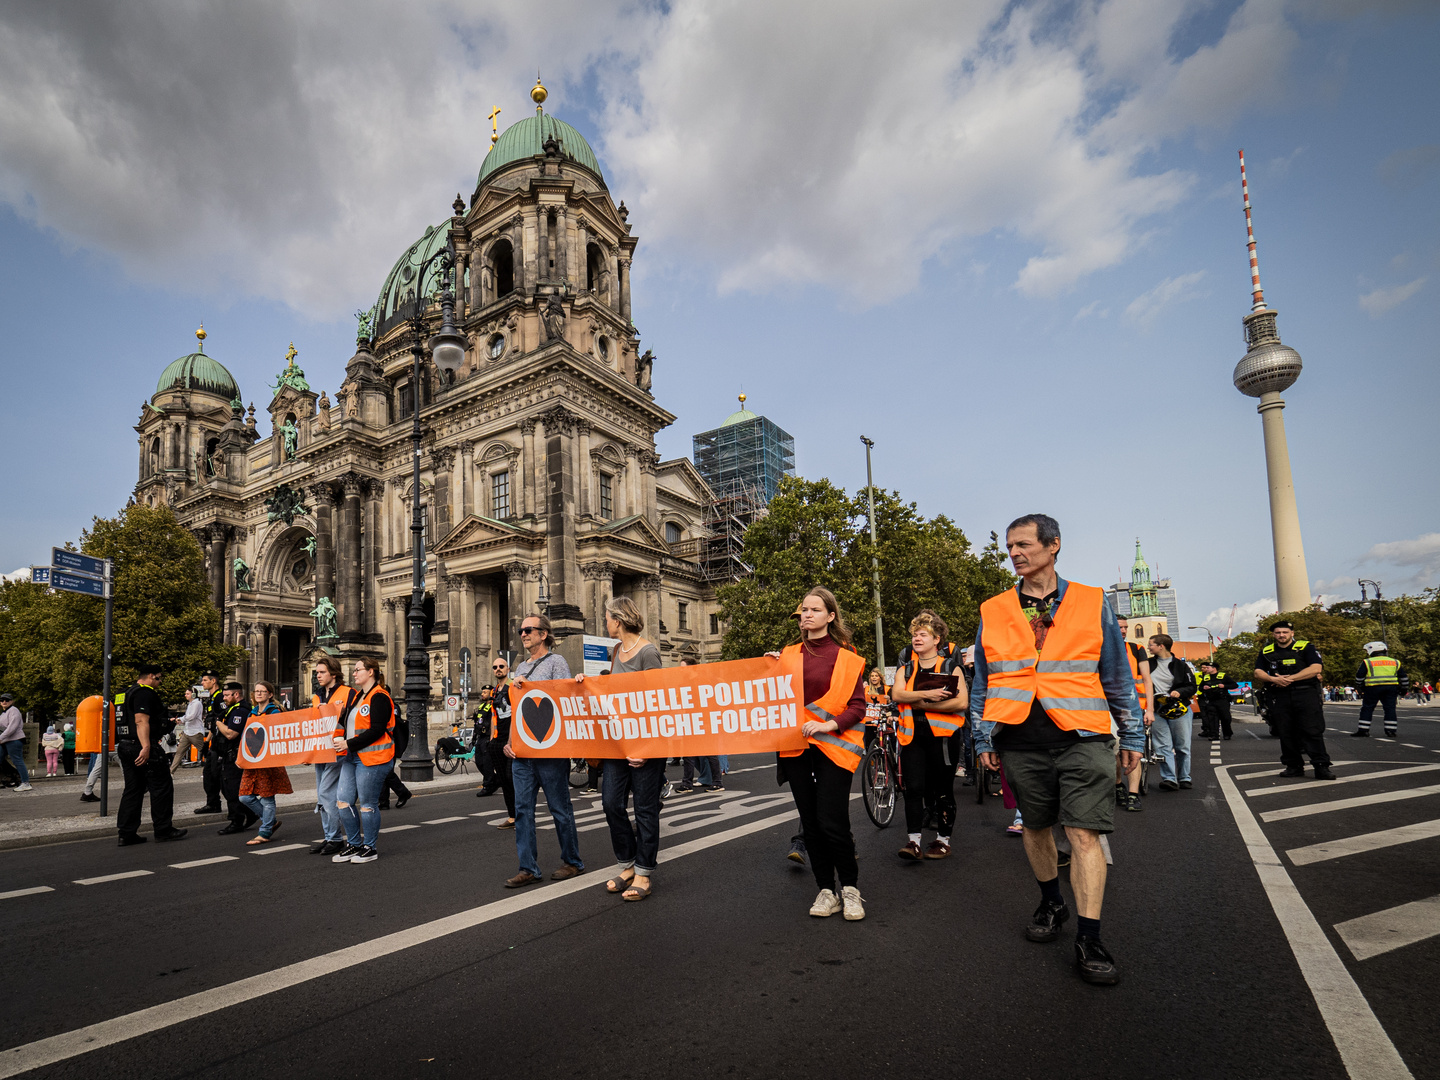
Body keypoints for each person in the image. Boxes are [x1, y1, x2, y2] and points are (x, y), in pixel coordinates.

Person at [970, 514, 1143, 986]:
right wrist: (982, 736)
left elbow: (1116, 674)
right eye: (1010, 547)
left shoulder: (1092, 601)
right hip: (1019, 739)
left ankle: (1089, 936)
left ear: (1054, 546)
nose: (1015, 553)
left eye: (1024, 544)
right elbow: (984, 682)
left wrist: (1131, 736)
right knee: (1037, 829)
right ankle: (1051, 900)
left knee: (1084, 834)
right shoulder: (993, 608)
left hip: (1081, 737)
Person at [768, 587, 868, 921]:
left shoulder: (846, 655)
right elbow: (774, 698)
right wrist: (767, 672)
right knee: (810, 823)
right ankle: (826, 890)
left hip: (834, 748)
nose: (806, 615)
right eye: (803, 611)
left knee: (832, 821)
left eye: (814, 610)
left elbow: (858, 706)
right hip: (796, 748)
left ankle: (850, 889)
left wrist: (830, 725)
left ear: (830, 615)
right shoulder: (787, 654)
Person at [579, 597, 664, 901]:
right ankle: (626, 864)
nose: (605, 623)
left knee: (644, 808)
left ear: (619, 619)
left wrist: (647, 747)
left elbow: (657, 704)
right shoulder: (616, 651)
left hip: (644, 745)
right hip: (618, 742)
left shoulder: (648, 652)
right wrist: (583, 683)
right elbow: (612, 692)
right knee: (611, 803)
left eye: (607, 618)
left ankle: (643, 872)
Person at [504, 613, 584, 887]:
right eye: (521, 630)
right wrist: (510, 741)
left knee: (559, 808)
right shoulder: (519, 669)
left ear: (544, 634)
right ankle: (528, 868)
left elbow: (564, 701)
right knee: (523, 811)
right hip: (522, 755)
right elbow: (518, 714)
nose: (523, 634)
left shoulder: (557, 662)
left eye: (529, 630)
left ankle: (572, 861)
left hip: (550, 753)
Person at [889, 610, 968, 860]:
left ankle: (942, 840)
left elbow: (961, 702)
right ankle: (913, 842)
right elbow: (897, 695)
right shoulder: (906, 668)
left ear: (937, 640)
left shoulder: (950, 666)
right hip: (913, 736)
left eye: (923, 634)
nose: (917, 638)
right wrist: (930, 695)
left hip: (944, 738)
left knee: (942, 788)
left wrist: (922, 704)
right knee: (914, 788)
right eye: (914, 634)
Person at [329, 657, 395, 864]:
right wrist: (337, 739)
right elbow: (343, 722)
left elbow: (377, 730)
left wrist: (348, 743)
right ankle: (354, 844)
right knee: (342, 801)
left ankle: (370, 847)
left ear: (371, 672)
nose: (354, 673)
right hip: (352, 756)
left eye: (358, 670)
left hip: (374, 757)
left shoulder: (380, 696)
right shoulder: (357, 696)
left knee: (367, 804)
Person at [114, 665, 187, 846]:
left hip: (124, 744)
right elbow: (141, 720)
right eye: (159, 678)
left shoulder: (124, 693)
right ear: (151, 676)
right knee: (161, 787)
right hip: (142, 745)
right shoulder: (144, 693)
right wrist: (146, 747)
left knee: (133, 789)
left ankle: (126, 833)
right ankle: (163, 829)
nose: (160, 682)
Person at [1254, 620, 1334, 780]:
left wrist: (1291, 678)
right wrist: (1273, 679)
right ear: (1273, 634)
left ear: (1292, 633)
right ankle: (1293, 766)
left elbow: (1315, 669)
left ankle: (1321, 766)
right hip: (1279, 696)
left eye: (1285, 632)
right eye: (1278, 633)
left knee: (1312, 730)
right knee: (1285, 731)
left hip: (1305, 694)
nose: (1281, 635)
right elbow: (1258, 672)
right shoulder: (1267, 651)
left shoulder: (1306, 648)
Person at [239, 681, 292, 844]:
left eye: (263, 691)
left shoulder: (275, 712)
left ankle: (265, 831)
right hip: (253, 760)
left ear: (270, 694)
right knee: (244, 797)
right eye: (256, 691)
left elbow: (282, 734)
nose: (259, 694)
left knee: (267, 796)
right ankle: (270, 821)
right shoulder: (252, 713)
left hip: (269, 760)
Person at [310, 656, 353, 855]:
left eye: (321, 672)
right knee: (322, 795)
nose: (317, 675)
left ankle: (335, 838)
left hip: (338, 750)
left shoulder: (348, 692)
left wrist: (341, 713)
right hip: (320, 750)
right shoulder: (317, 695)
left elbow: (354, 721)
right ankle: (329, 837)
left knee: (327, 794)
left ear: (333, 673)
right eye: (317, 672)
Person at [1145, 634, 1196, 791]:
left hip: (1178, 710)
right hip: (1158, 710)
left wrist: (1179, 692)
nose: (1148, 647)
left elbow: (1192, 686)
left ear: (1161, 646)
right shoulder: (1147, 664)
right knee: (1162, 746)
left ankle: (1184, 777)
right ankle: (1169, 779)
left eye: (1151, 645)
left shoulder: (1180, 666)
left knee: (1182, 745)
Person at [1113, 615, 1152, 813]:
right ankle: (1119, 784)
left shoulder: (1137, 649)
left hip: (1135, 708)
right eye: (1120, 627)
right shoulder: (1102, 648)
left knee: (1134, 748)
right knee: (1115, 751)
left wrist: (1150, 710)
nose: (1123, 630)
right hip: (1110, 709)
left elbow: (1147, 680)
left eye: (1125, 627)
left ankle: (1133, 794)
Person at [213, 682, 258, 833]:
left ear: (236, 695)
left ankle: (236, 821)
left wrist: (218, 722)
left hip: (235, 755)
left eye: (226, 695)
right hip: (227, 754)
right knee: (227, 788)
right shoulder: (231, 709)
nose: (224, 698)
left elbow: (231, 733)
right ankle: (251, 813)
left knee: (232, 790)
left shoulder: (241, 710)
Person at [483, 658, 518, 828]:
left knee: (512, 778)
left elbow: (517, 714)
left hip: (511, 741)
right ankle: (512, 816)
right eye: (495, 667)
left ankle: (522, 813)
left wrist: (511, 741)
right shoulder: (495, 690)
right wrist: (491, 740)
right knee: (504, 780)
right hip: (497, 741)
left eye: (501, 666)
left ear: (508, 668)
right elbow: (493, 717)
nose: (498, 669)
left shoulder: (513, 686)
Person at [1352, 641, 1407, 738]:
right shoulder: (1395, 661)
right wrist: (1404, 688)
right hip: (1391, 688)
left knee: (1367, 708)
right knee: (1390, 709)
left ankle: (1363, 730)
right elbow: (1403, 676)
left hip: (1372, 688)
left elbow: (1359, 676)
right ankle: (1391, 731)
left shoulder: (1368, 662)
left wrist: (1360, 687)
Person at [193, 670, 226, 814]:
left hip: (221, 742)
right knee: (209, 774)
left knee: (216, 774)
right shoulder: (213, 698)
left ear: (213, 681)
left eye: (205, 680)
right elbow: (213, 722)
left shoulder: (220, 697)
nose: (202, 683)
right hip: (214, 741)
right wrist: (207, 741)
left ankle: (235, 806)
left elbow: (221, 719)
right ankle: (212, 803)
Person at [1196, 660, 1238, 741]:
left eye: (1208, 667)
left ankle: (1227, 734)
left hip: (1222, 700)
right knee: (1212, 718)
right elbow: (1200, 687)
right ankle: (1214, 735)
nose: (1206, 669)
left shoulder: (1223, 676)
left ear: (1214, 668)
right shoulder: (1206, 678)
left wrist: (1224, 686)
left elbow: (1234, 685)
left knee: (1225, 718)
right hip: (1211, 700)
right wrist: (1204, 688)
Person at [0, 692, 31, 791]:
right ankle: (12, 777)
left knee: (17, 760)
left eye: (7, 700)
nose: (4, 702)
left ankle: (25, 783)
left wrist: (1, 737)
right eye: (2, 700)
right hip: (6, 740)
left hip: (14, 739)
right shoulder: (4, 713)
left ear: (12, 701)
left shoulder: (14, 710)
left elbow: (12, 727)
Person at [171, 687, 206, 772]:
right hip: (187, 732)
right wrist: (180, 720)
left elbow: (191, 716)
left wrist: (181, 719)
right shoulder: (190, 704)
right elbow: (188, 717)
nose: (185, 695)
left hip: (196, 732)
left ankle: (212, 769)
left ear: (193, 694)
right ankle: (171, 772)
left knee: (205, 752)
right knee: (179, 752)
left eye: (187, 694)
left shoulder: (197, 703)